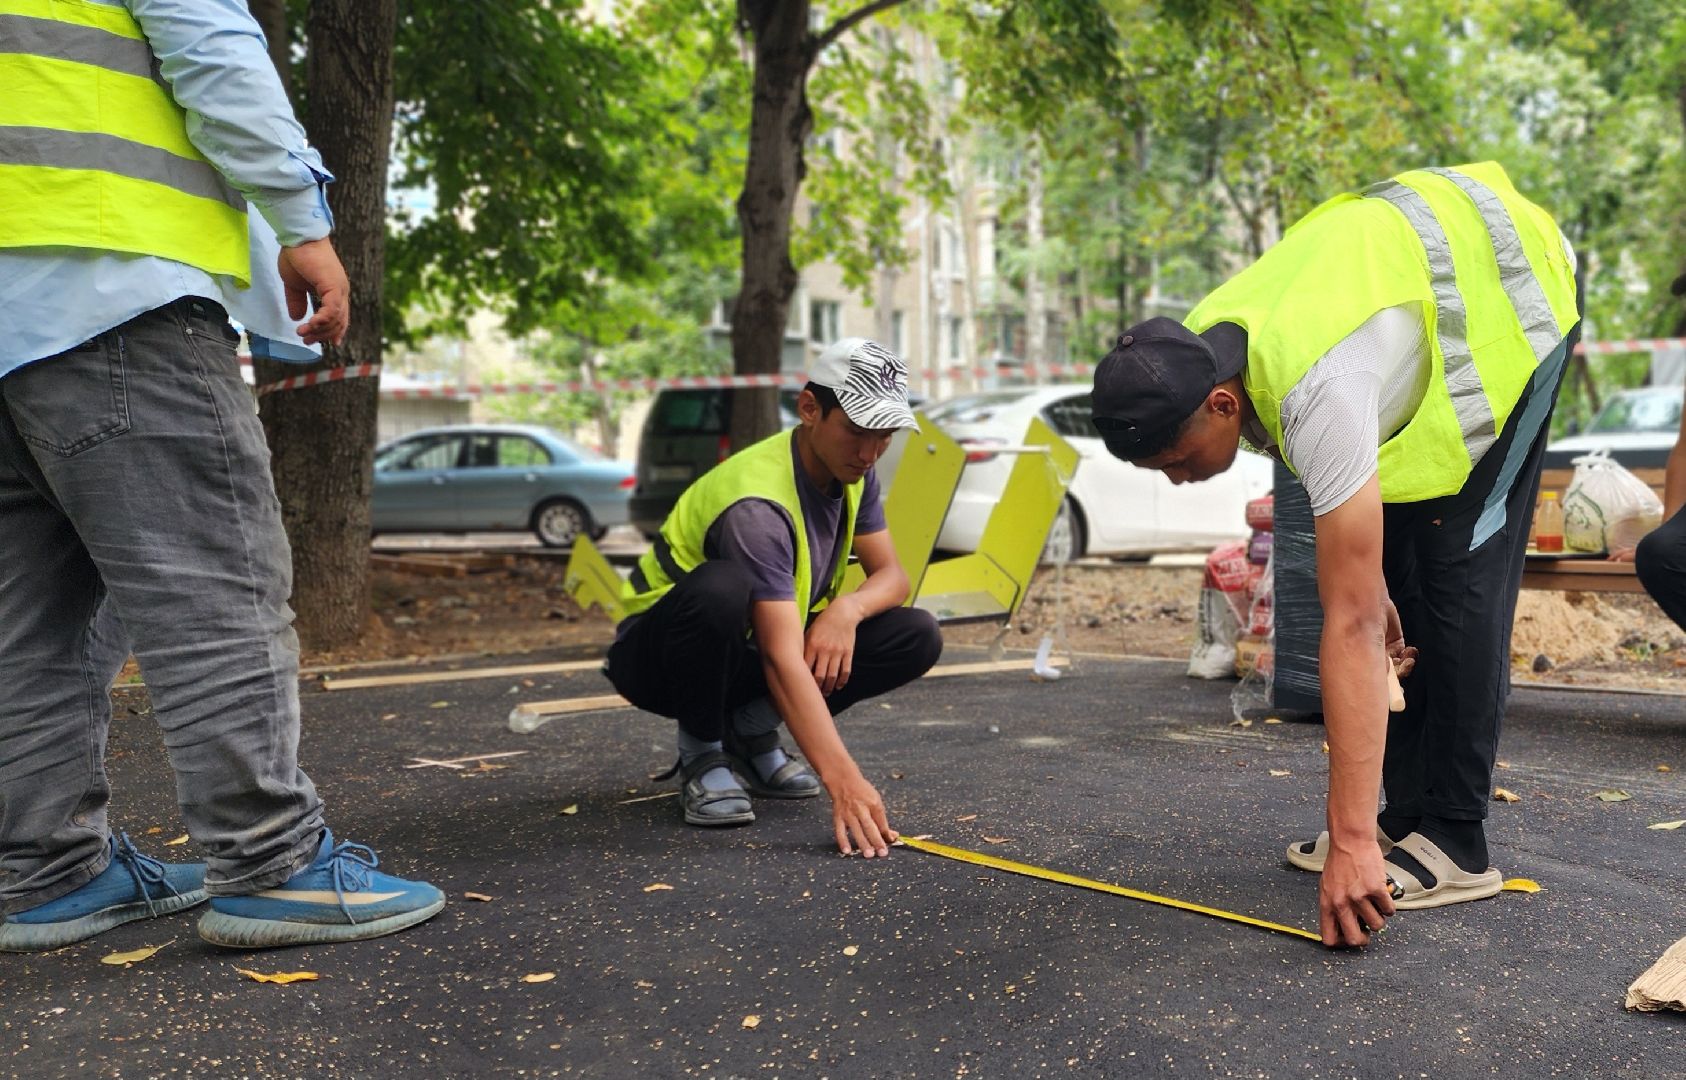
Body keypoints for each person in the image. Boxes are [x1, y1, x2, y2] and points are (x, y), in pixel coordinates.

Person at [0, 0, 442, 951]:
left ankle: (45, 871)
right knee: (216, 586)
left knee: (31, 620)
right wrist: (300, 217)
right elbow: (210, 46)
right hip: (111, 283)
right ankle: (272, 861)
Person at [1088, 163, 1579, 947]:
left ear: (1221, 404)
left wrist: (1343, 843)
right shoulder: (1202, 347)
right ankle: (1403, 818)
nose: (1178, 481)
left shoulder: (1319, 385)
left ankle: (1456, 839)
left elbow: (1348, 628)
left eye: (1178, 460)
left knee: (1459, 571)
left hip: (1511, 307)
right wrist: (1374, 582)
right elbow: (1358, 582)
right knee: (1406, 574)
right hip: (1408, 308)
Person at [605, 338, 944, 857]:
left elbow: (893, 578)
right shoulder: (756, 506)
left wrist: (845, 610)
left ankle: (750, 732)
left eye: (886, 435)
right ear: (809, 408)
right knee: (722, 588)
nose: (871, 452)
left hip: (742, 653)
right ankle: (702, 753)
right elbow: (781, 656)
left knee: (914, 633)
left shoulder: (853, 468)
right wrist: (844, 780)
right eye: (857, 431)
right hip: (660, 660)